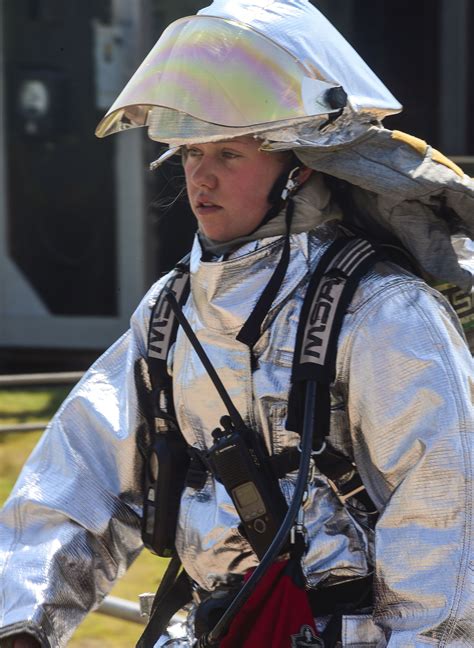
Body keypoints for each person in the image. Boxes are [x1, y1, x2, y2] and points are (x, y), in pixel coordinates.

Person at [1, 1, 473, 647]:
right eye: (191, 153)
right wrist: (23, 624)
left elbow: (442, 519)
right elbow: (75, 477)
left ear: (299, 169)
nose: (202, 175)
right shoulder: (171, 312)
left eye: (229, 152)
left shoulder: (385, 312)